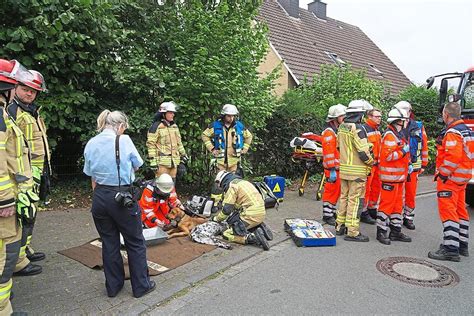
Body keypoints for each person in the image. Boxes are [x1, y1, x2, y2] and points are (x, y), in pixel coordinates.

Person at [83, 110, 156, 298]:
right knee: (135, 242)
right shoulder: (123, 140)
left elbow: (90, 173)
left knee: (109, 242)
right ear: (120, 126)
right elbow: (138, 164)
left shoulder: (91, 142)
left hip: (100, 197)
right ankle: (141, 286)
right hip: (121, 196)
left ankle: (113, 287)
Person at [0, 59, 38, 314]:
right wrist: (5, 199)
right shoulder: (5, 115)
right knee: (4, 254)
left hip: (17, 191)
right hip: (7, 198)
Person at [8, 69, 49, 269]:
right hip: (25, 174)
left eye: (33, 91)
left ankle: (25, 250)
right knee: (24, 215)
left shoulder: (31, 111)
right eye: (25, 89)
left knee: (31, 214)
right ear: (14, 87)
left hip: (36, 172)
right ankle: (19, 261)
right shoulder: (12, 111)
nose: (29, 94)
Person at [428, 102, 473, 262]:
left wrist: (443, 174)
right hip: (463, 179)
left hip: (451, 180)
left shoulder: (453, 132)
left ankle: (450, 249)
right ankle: (462, 245)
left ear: (446, 114)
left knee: (448, 212)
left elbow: (453, 157)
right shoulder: (467, 131)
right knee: (461, 211)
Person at [335, 100, 374, 242]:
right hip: (357, 172)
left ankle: (339, 226)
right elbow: (363, 152)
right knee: (355, 201)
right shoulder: (358, 128)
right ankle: (352, 232)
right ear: (360, 114)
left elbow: (339, 147)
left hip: (344, 170)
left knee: (344, 198)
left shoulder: (342, 127)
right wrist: (372, 162)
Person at [376, 108, 412, 245]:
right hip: (389, 178)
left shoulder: (398, 135)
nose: (406, 122)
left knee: (398, 206)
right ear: (398, 121)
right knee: (386, 205)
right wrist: (403, 151)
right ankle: (381, 231)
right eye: (404, 120)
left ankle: (395, 231)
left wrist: (407, 163)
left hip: (398, 178)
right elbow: (389, 156)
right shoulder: (390, 136)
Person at [211, 171, 270, 250]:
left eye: (219, 183)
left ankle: (251, 238)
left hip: (251, 215)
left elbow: (226, 210)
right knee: (240, 217)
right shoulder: (244, 182)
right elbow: (239, 203)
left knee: (226, 234)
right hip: (261, 211)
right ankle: (258, 226)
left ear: (222, 180)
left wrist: (216, 219)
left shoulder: (232, 186)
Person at [393, 101, 428, 230]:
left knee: (410, 193)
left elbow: (423, 145)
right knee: (396, 194)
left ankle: (408, 217)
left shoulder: (418, 126)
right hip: (399, 165)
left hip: (414, 166)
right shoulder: (395, 125)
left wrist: (424, 163)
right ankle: (394, 218)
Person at [202, 104, 252, 174]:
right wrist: (212, 149)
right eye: (229, 116)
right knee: (220, 182)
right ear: (224, 115)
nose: (231, 118)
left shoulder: (239, 126)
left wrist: (245, 149)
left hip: (234, 162)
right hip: (220, 162)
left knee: (232, 183)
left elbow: (249, 136)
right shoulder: (215, 126)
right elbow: (205, 135)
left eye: (233, 116)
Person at [146, 101, 187, 183]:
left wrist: (184, 155)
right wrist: (153, 161)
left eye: (173, 113)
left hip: (174, 163)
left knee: (172, 188)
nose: (173, 115)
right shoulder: (155, 127)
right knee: (162, 188)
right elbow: (151, 145)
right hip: (162, 164)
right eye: (171, 113)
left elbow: (179, 143)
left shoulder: (174, 127)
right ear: (163, 114)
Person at [321, 104, 346, 225]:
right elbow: (329, 153)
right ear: (335, 118)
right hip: (331, 169)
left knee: (336, 192)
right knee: (330, 191)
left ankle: (331, 211)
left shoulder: (336, 130)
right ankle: (327, 215)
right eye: (342, 116)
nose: (344, 118)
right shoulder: (329, 133)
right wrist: (331, 169)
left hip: (336, 168)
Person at [360, 108, 383, 224]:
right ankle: (363, 212)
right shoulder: (364, 129)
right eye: (377, 116)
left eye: (380, 116)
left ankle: (372, 208)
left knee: (376, 188)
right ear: (369, 117)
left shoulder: (376, 130)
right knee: (366, 189)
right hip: (369, 165)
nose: (379, 118)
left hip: (377, 165)